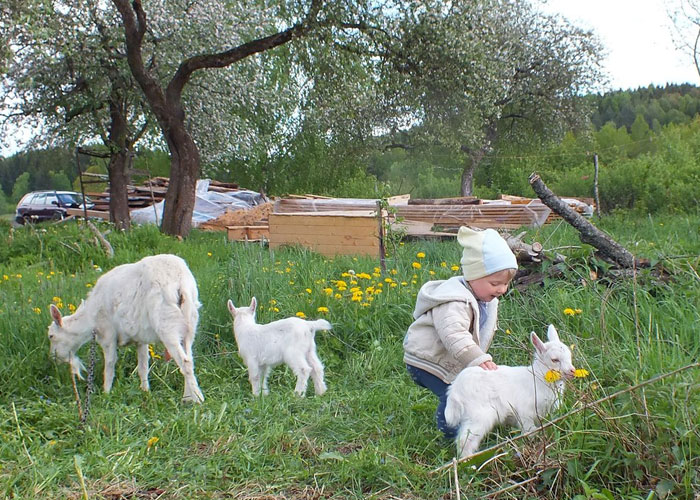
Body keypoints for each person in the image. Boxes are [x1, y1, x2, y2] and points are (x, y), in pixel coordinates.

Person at [403, 226, 518, 440]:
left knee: (468, 388)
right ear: (473, 276)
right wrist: (477, 358)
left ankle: (481, 421)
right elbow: (454, 334)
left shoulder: (486, 301)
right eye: (495, 283)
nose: (502, 289)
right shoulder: (454, 301)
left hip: (451, 358)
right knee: (455, 393)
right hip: (425, 359)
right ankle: (451, 435)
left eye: (506, 283)